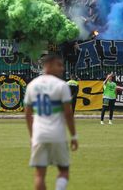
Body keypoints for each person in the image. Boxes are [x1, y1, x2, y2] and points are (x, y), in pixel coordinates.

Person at [24, 54, 78, 190]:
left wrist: (32, 136)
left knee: (39, 175)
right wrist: (74, 136)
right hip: (58, 134)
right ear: (48, 65)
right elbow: (68, 113)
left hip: (39, 135)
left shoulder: (32, 85)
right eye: (59, 65)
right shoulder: (61, 85)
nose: (62, 68)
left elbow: (27, 114)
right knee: (64, 170)